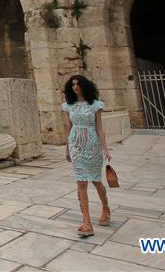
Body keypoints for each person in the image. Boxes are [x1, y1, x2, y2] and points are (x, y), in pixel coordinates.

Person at [62, 74, 112, 238]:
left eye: (78, 84)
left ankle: (105, 208)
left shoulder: (95, 105)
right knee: (81, 182)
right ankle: (87, 223)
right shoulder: (69, 106)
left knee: (96, 180)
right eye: (73, 84)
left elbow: (99, 128)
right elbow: (69, 128)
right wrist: (67, 148)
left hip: (92, 145)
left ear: (84, 86)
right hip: (76, 145)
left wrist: (105, 149)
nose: (75, 87)